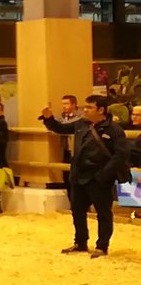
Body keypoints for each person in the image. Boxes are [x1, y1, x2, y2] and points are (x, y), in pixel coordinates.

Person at [41, 95, 129, 258]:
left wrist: (104, 175)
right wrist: (49, 119)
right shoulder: (81, 124)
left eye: (89, 108)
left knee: (103, 213)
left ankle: (102, 246)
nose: (85, 110)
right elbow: (61, 128)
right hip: (79, 175)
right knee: (77, 211)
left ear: (101, 110)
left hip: (99, 178)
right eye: (85, 107)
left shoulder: (114, 130)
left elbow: (121, 155)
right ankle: (80, 242)